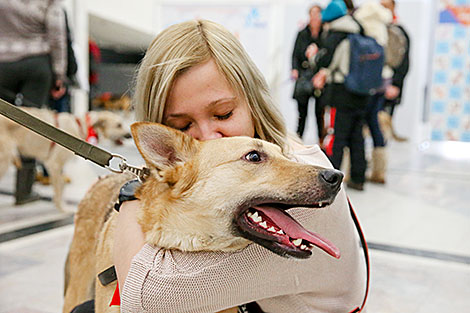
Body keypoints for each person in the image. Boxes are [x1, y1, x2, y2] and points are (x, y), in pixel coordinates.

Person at [72, 19, 367, 313]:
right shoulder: (237, 197)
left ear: (254, 102)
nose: (208, 138)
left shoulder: (302, 195)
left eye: (224, 114)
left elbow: (148, 295)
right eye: (182, 125)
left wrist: (130, 199)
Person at [0, 0, 67, 204]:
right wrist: (59, 74)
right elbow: (57, 37)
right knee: (30, 125)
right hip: (36, 64)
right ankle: (24, 191)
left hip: (2, 63)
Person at [310, 0, 369, 191]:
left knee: (337, 135)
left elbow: (324, 61)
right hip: (361, 91)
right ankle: (358, 178)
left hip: (341, 91)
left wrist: (314, 56)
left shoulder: (336, 34)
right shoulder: (359, 28)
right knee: (357, 136)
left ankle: (329, 181)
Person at [354, 1, 393, 184]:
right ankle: (379, 170)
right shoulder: (385, 24)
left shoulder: (363, 18)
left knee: (358, 124)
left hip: (366, 80)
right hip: (383, 79)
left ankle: (356, 169)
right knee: (374, 123)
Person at [291, 4, 325, 142]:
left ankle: (321, 140)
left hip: (319, 78)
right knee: (302, 112)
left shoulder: (326, 33)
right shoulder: (302, 33)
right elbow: (294, 54)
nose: (314, 17)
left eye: (317, 14)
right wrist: (294, 69)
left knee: (320, 112)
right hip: (304, 76)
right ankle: (299, 139)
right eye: (312, 14)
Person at [381, 0, 410, 118]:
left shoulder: (399, 33)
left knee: (383, 125)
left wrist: (396, 84)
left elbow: (404, 62)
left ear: (393, 7)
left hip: (390, 86)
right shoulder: (375, 30)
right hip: (373, 88)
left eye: (386, 6)